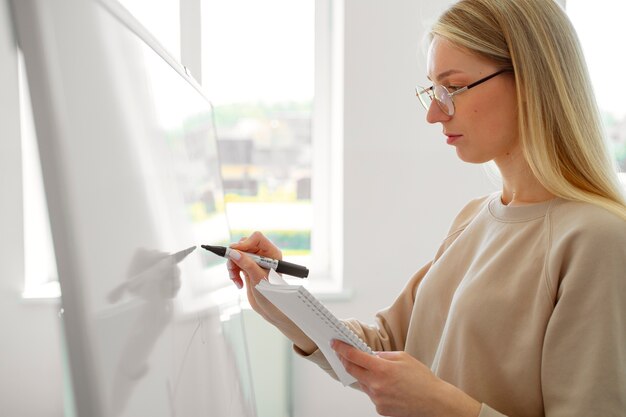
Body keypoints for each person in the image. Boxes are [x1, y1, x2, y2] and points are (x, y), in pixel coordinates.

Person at [225, 0, 626, 416]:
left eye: (451, 88)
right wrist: (277, 297)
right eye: (433, 91)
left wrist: (444, 406)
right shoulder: (474, 217)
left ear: (529, 80)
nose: (435, 113)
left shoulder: (597, 239)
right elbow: (382, 345)